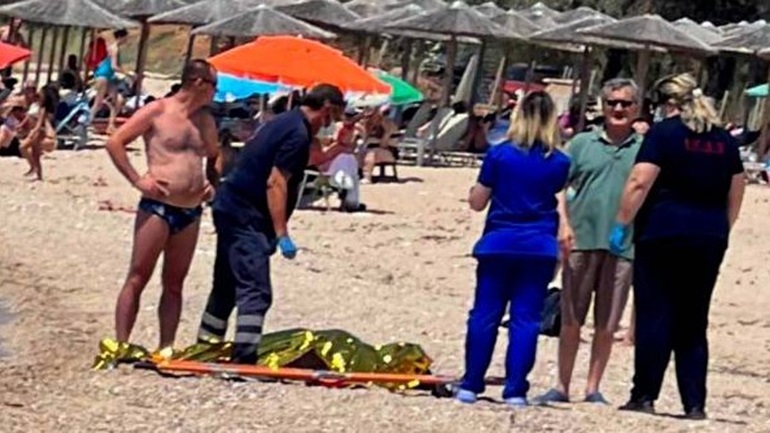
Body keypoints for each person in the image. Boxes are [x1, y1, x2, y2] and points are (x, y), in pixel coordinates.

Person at [610, 73, 745, 420]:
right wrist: (722, 228)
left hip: (663, 230)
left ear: (669, 104)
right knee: (693, 319)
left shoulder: (664, 134)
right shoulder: (724, 141)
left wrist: (621, 223)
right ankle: (694, 402)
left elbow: (639, 182)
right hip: (709, 234)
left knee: (655, 312)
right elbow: (737, 189)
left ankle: (644, 394)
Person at [196, 84, 345, 364]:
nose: (332, 123)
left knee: (227, 284)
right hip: (246, 216)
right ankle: (243, 357)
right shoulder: (297, 133)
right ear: (326, 109)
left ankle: (205, 347)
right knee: (256, 290)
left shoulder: (286, 122)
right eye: (334, 116)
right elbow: (275, 183)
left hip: (230, 205)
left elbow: (311, 159)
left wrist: (340, 145)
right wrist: (281, 233)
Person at [455, 91, 570, 407]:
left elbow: (478, 202)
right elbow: (559, 199)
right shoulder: (559, 161)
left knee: (485, 314)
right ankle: (516, 389)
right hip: (538, 246)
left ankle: (471, 383)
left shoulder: (500, 154)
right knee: (526, 320)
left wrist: (474, 191)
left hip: (499, 241)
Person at [535, 78, 643, 406]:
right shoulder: (581, 143)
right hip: (581, 240)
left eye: (625, 103)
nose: (618, 109)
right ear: (603, 106)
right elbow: (559, 187)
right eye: (612, 102)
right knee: (571, 318)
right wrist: (564, 225)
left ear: (636, 108)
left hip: (623, 245)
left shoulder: (645, 148)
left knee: (607, 323)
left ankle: (593, 387)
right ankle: (562, 385)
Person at [105, 60, 220, 355]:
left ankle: (166, 346)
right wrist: (137, 180)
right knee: (138, 275)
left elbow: (215, 155)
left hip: (191, 210)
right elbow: (115, 142)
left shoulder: (204, 119)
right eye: (214, 86)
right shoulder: (157, 111)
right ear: (198, 83)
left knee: (174, 282)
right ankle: (121, 344)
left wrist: (213, 182)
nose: (216, 93)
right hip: (158, 206)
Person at [309, 107, 365, 212]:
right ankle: (344, 196)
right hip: (333, 156)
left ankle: (345, 197)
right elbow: (334, 141)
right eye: (346, 116)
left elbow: (351, 144)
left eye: (350, 116)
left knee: (346, 161)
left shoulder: (357, 129)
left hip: (341, 156)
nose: (347, 118)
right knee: (344, 162)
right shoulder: (338, 126)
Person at [91, 29, 130, 134]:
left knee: (118, 100)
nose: (127, 40)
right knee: (98, 103)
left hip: (108, 76)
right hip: (103, 76)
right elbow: (114, 66)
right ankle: (86, 121)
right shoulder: (114, 48)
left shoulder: (113, 47)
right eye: (126, 38)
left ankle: (111, 125)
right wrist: (127, 73)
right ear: (121, 37)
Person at [20, 84, 58, 181]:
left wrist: (33, 132)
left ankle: (33, 168)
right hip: (42, 134)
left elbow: (39, 123)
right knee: (35, 154)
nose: (39, 92)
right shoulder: (39, 105)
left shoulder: (43, 108)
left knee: (23, 147)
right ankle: (38, 175)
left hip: (43, 134)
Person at [359, 107, 397, 183]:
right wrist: (367, 128)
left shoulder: (388, 124)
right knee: (354, 153)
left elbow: (384, 145)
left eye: (371, 116)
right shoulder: (367, 124)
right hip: (369, 148)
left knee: (372, 153)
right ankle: (357, 174)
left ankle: (367, 177)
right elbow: (364, 140)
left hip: (388, 151)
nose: (368, 118)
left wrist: (386, 133)